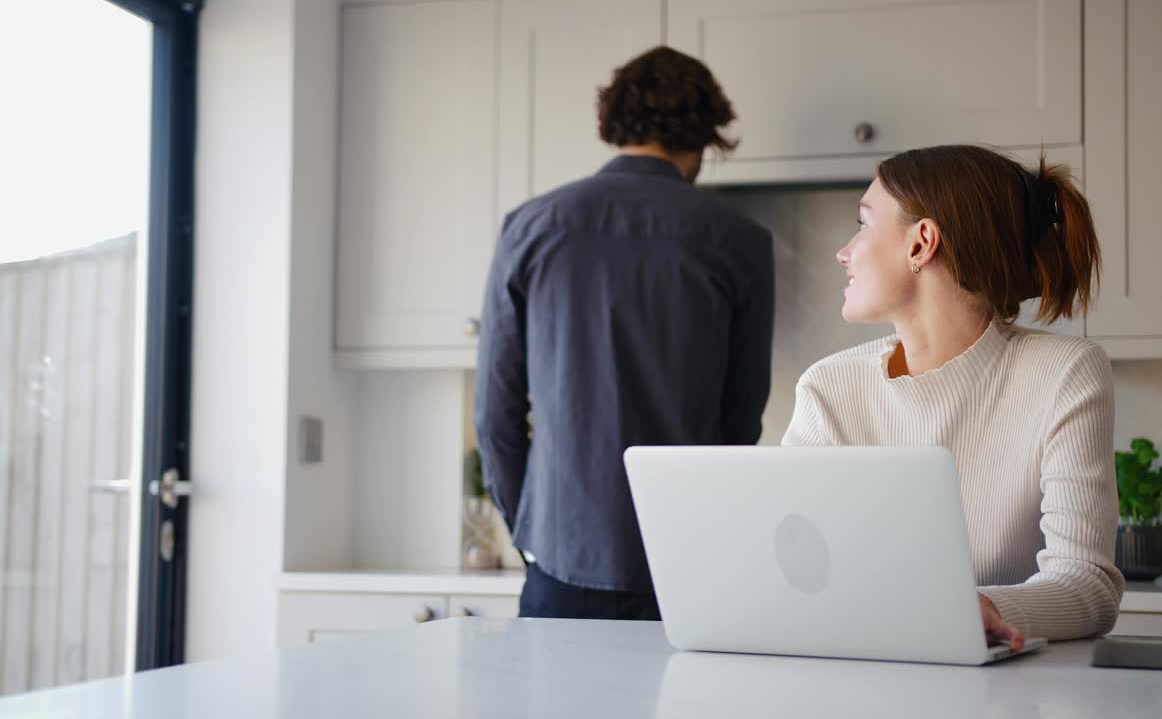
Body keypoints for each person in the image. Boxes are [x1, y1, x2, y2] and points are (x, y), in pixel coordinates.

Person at [475, 46, 774, 620]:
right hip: (684, 562)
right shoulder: (739, 240)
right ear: (706, 137)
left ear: (613, 125)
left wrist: (533, 527)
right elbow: (741, 418)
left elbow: (495, 415)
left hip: (560, 558)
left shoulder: (530, 227)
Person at [782, 145, 1124, 646]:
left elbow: (1088, 585)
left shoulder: (1064, 373)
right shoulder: (828, 388)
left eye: (863, 223)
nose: (843, 252)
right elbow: (794, 567)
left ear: (921, 243)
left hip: (1014, 691)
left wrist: (978, 610)